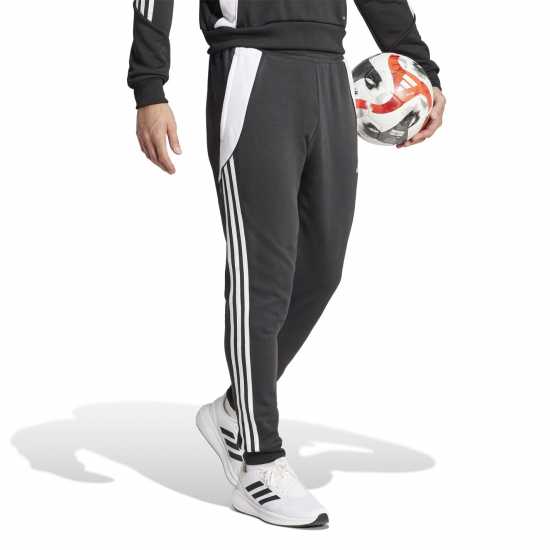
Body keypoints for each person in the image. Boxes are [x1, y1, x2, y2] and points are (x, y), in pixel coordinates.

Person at [128, 0, 446, 528]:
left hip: (329, 72)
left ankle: (235, 411)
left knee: (321, 269)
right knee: (262, 277)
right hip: (253, 69)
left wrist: (421, 68)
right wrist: (149, 85)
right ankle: (259, 463)